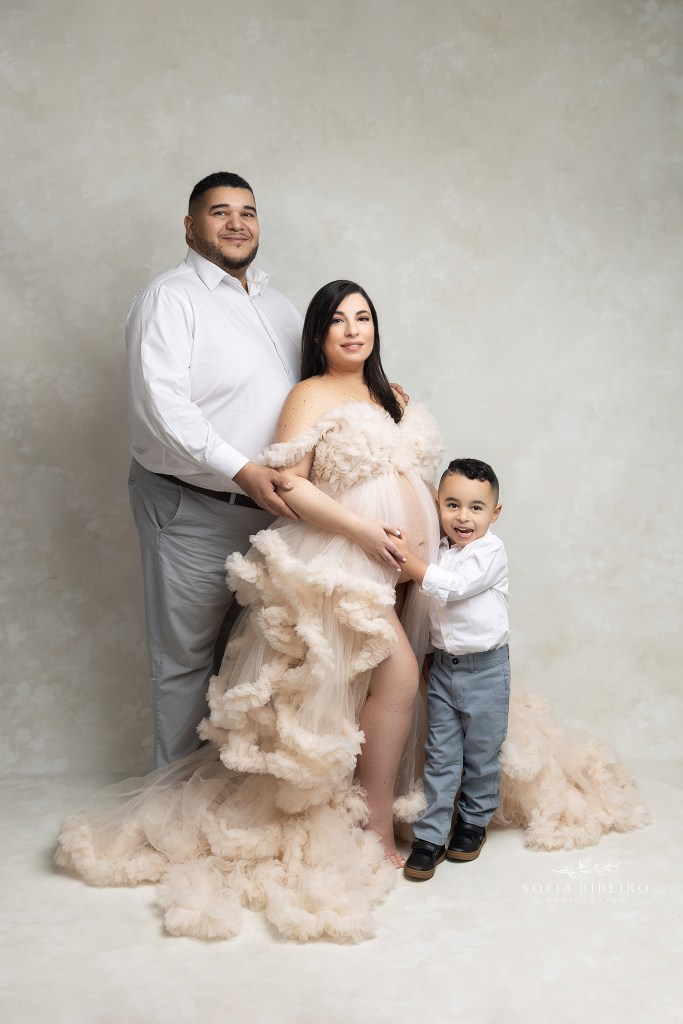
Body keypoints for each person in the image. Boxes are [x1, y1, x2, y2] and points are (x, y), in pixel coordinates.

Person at [56, 282, 649, 944]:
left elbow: (414, 479)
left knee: (417, 678)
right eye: (336, 319)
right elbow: (289, 485)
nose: (351, 329)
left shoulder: (391, 394)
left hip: (413, 568)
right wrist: (366, 533)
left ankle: (409, 800)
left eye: (362, 317)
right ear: (316, 334)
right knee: (394, 675)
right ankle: (370, 821)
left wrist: (448, 529)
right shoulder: (309, 395)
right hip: (342, 557)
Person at [126, 171, 303, 768]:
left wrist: (379, 394)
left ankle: (226, 799)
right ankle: (169, 806)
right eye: (220, 211)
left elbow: (311, 389)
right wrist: (242, 470)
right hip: (192, 509)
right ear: (190, 225)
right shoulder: (170, 297)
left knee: (258, 659)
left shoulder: (278, 304)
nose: (236, 223)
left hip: (275, 515)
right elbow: (162, 406)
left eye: (247, 212)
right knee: (185, 662)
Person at [395, 459, 511, 880]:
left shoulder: (489, 552)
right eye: (453, 504)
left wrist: (407, 562)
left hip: (486, 671)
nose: (463, 516)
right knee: (442, 755)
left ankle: (474, 822)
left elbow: (453, 588)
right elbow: (432, 614)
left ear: (494, 514)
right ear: (438, 505)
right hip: (445, 669)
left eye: (476, 508)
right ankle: (430, 835)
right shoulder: (440, 551)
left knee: (481, 754)